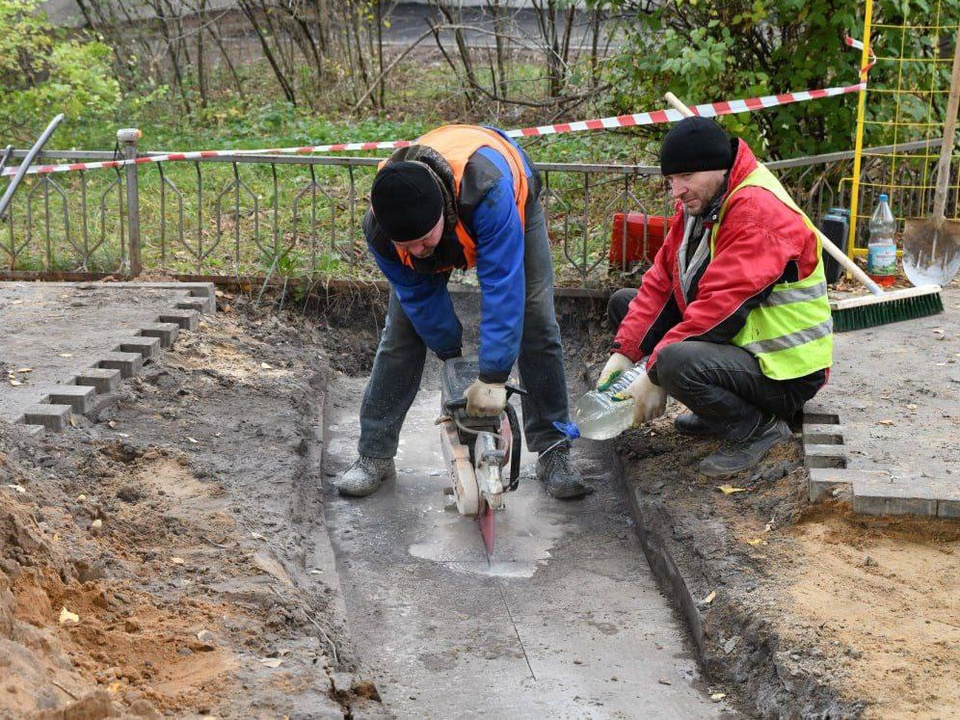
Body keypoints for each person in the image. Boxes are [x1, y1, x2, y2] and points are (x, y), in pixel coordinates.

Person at [335, 124, 588, 500]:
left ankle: (554, 449)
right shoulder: (380, 229)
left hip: (508, 192)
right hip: (447, 211)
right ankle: (373, 453)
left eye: (424, 241)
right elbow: (419, 298)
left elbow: (503, 286)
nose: (419, 251)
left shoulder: (489, 194)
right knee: (402, 332)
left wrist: (492, 376)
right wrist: (453, 359)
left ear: (441, 213)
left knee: (535, 319)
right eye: (409, 245)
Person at [600, 116, 833, 477]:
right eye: (671, 180)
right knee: (625, 304)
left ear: (717, 168)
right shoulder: (705, 203)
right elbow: (661, 282)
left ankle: (758, 431)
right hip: (747, 351)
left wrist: (653, 371)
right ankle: (716, 411)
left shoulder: (756, 212)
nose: (676, 190)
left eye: (686, 177)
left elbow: (719, 311)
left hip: (784, 373)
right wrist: (623, 354)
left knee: (674, 360)